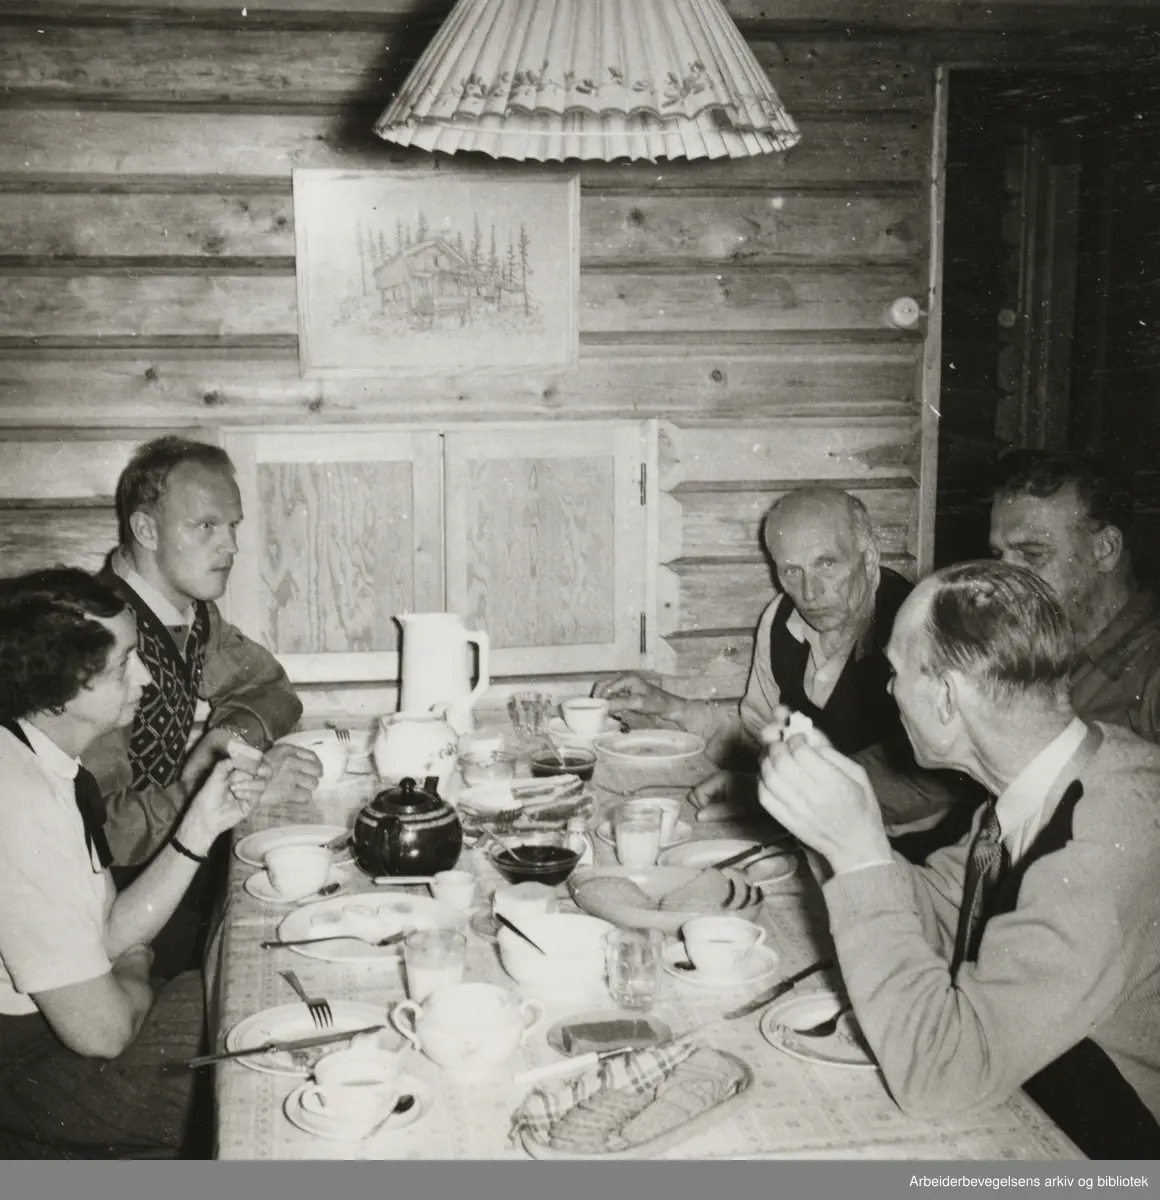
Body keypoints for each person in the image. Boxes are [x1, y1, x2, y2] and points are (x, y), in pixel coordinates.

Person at [756, 560, 1160, 1158]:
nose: (888, 690)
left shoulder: (1096, 845)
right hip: (1049, 1088)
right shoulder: (1046, 782)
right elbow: (940, 916)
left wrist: (859, 854)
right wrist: (829, 823)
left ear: (946, 696)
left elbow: (939, 1075)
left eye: (895, 672)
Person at [0, 568, 269, 1158]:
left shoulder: (39, 759)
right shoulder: (18, 804)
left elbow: (105, 932)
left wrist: (201, 823)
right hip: (31, 1070)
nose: (145, 677)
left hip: (70, 1025)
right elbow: (104, 1031)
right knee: (260, 1071)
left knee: (245, 997)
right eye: (123, 664)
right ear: (59, 691)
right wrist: (136, 965)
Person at [594, 486, 975, 840]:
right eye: (792, 571)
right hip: (801, 832)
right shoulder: (781, 618)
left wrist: (764, 792)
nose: (809, 592)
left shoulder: (922, 629)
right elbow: (757, 738)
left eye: (827, 563)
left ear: (869, 556)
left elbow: (928, 784)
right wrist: (671, 709)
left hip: (905, 851)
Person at [81, 436, 320, 975]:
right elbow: (103, 831)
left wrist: (223, 747)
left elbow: (271, 688)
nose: (230, 546)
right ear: (146, 530)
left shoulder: (192, 615)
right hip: (112, 908)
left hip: (171, 859)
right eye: (206, 526)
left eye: (233, 526)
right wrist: (223, 786)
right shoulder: (99, 642)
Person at [991, 448, 1160, 740]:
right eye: (997, 555)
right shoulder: (1023, 647)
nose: (1003, 580)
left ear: (1105, 550)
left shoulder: (1152, 677)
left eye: (1033, 554)